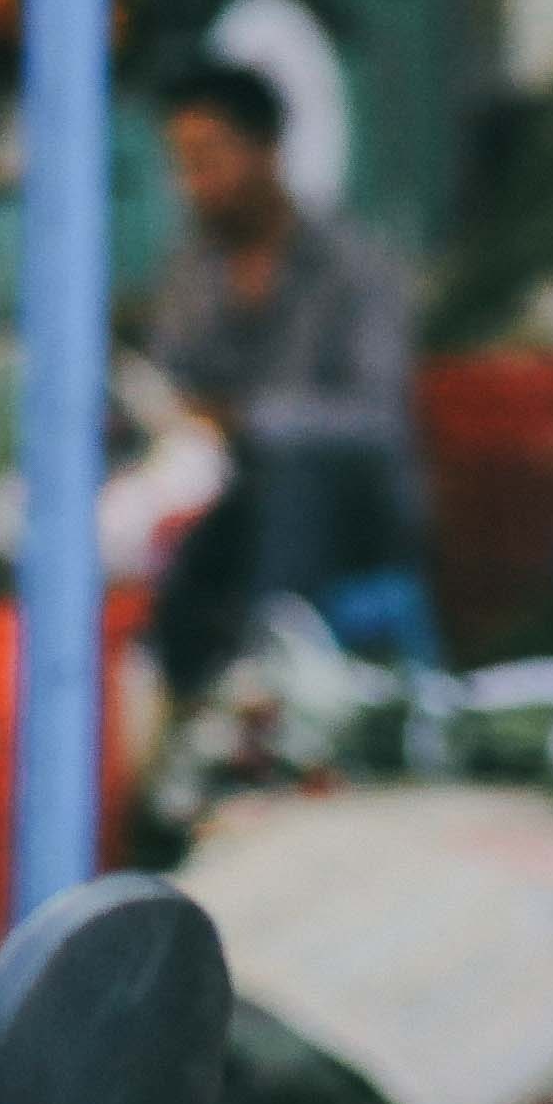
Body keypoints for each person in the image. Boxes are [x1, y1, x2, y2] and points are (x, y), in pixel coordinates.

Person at [140, 56, 427, 688]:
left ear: (265, 150)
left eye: (210, 157)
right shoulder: (192, 273)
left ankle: (259, 680)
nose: (194, 180)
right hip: (223, 505)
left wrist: (246, 420)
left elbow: (375, 419)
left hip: (348, 508)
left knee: (291, 480)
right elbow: (169, 388)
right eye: (183, 163)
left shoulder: (355, 268)